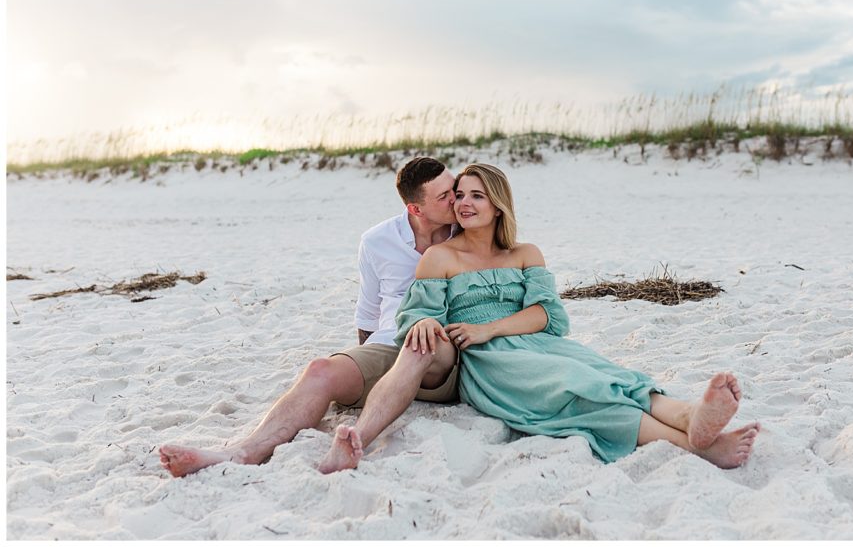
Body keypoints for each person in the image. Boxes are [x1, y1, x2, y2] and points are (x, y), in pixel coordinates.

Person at [318, 163, 760, 472]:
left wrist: (489, 325)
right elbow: (417, 317)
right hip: (489, 361)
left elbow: (549, 316)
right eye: (460, 195)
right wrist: (445, 327)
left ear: (498, 206)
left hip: (539, 343)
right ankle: (697, 445)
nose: (464, 203)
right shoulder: (438, 257)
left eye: (477, 195)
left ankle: (688, 414)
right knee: (578, 391)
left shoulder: (526, 254)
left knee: (609, 374)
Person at [158, 157, 461, 477]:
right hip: (388, 344)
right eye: (444, 196)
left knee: (419, 341)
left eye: (454, 188)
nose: (456, 198)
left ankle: (356, 440)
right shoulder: (377, 241)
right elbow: (368, 313)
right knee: (320, 370)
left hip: (439, 355)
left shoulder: (471, 230)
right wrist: (356, 364)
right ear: (416, 209)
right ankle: (239, 453)